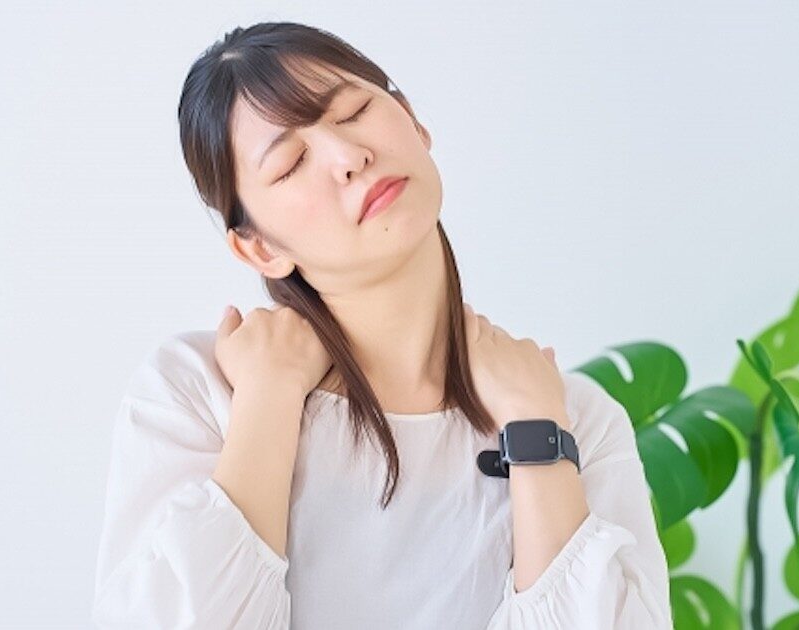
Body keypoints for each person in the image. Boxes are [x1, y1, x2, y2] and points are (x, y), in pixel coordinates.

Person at [93, 21, 672, 629]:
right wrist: (268, 399)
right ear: (260, 248)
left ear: (414, 122)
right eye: (290, 163)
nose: (349, 158)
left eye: (354, 112)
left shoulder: (574, 416)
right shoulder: (199, 391)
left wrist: (537, 435)